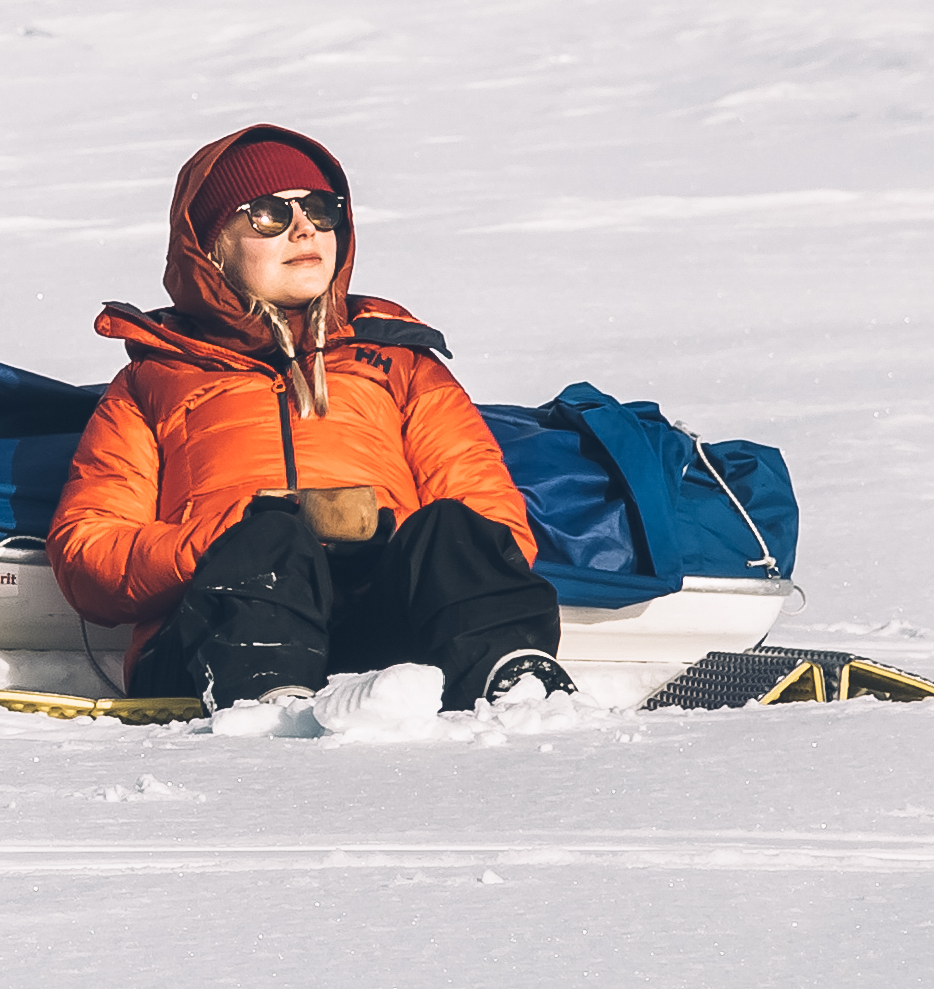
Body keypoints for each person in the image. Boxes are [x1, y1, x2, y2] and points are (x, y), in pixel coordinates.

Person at [49, 124, 571, 714]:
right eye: (270, 214)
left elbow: (496, 525)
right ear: (212, 243)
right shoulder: (152, 382)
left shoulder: (399, 362)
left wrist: (379, 535)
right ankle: (268, 702)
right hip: (213, 646)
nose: (305, 229)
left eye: (321, 210)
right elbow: (87, 553)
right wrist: (230, 539)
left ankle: (520, 688)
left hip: (387, 649)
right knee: (269, 537)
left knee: (450, 529)